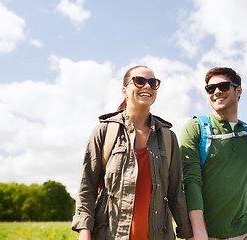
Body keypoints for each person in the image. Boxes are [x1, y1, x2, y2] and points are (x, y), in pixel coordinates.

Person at [71, 66, 193, 240]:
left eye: (153, 82)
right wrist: (84, 232)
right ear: (124, 91)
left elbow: (175, 193)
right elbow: (87, 188)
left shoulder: (167, 137)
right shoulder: (104, 132)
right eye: (139, 81)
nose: (147, 86)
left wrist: (188, 234)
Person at [180, 67, 247, 240]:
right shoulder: (195, 128)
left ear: (238, 90)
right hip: (208, 234)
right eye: (210, 89)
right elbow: (191, 182)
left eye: (224, 86)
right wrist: (199, 234)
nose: (217, 92)